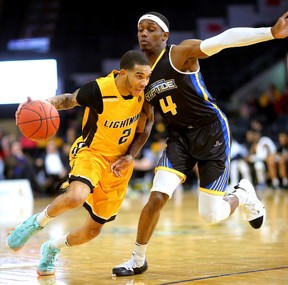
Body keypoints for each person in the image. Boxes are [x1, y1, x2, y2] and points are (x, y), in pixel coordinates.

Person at [112, 11, 288, 276]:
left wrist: (270, 33)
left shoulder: (180, 54)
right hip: (178, 138)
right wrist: (132, 154)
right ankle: (137, 259)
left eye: (150, 29)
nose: (144, 34)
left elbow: (224, 39)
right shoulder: (142, 77)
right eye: (140, 30)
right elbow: (147, 121)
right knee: (157, 195)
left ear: (165, 35)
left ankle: (243, 194)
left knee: (211, 216)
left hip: (211, 130)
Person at [6, 50, 153, 276]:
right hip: (92, 154)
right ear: (123, 73)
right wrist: (36, 106)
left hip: (119, 166)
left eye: (147, 77)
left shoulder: (144, 93)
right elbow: (67, 100)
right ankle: (34, 224)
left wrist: (132, 155)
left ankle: (51, 248)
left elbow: (148, 124)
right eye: (139, 76)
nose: (144, 82)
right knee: (76, 196)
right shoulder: (99, 89)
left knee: (92, 231)